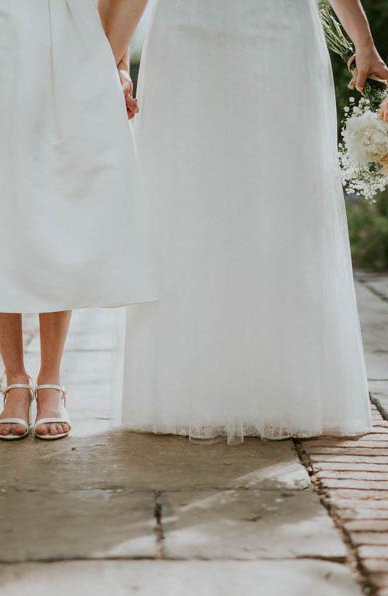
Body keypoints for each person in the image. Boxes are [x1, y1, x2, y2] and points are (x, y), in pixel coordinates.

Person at [100, 0, 388, 444]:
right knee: (188, 202)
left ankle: (280, 391)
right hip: (188, 40)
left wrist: (364, 43)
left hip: (279, 37)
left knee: (282, 207)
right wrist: (107, 64)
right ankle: (191, 389)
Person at [0, 0, 155, 441]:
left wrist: (114, 62)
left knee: (53, 202)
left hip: (64, 35)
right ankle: (15, 381)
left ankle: (51, 380)